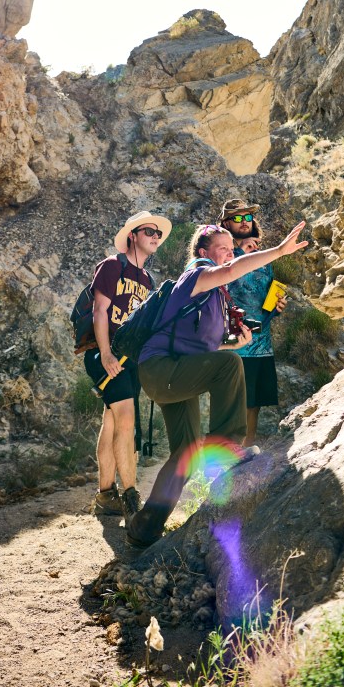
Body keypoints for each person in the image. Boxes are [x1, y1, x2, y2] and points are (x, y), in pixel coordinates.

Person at [126, 219, 307, 548]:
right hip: (161, 369)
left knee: (186, 453)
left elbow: (202, 348)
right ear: (202, 252)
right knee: (230, 365)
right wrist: (280, 251)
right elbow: (232, 270)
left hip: (174, 371)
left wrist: (231, 344)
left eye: (230, 248)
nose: (229, 253)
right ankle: (226, 445)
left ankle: (144, 527)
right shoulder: (197, 273)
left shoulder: (214, 296)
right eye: (222, 248)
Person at [86, 210, 172, 521]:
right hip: (105, 353)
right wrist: (106, 354)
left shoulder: (147, 280)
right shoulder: (113, 266)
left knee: (111, 421)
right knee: (126, 419)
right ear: (132, 236)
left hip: (130, 360)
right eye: (149, 231)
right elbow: (100, 311)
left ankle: (105, 495)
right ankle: (131, 495)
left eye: (158, 233)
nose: (155, 237)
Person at [219, 198, 288, 446]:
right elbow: (220, 279)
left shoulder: (263, 258)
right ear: (226, 224)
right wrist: (239, 252)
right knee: (234, 403)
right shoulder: (221, 254)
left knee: (254, 404)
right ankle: (227, 456)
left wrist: (276, 307)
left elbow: (264, 298)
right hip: (234, 343)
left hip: (262, 343)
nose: (244, 222)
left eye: (247, 217)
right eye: (237, 218)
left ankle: (246, 454)